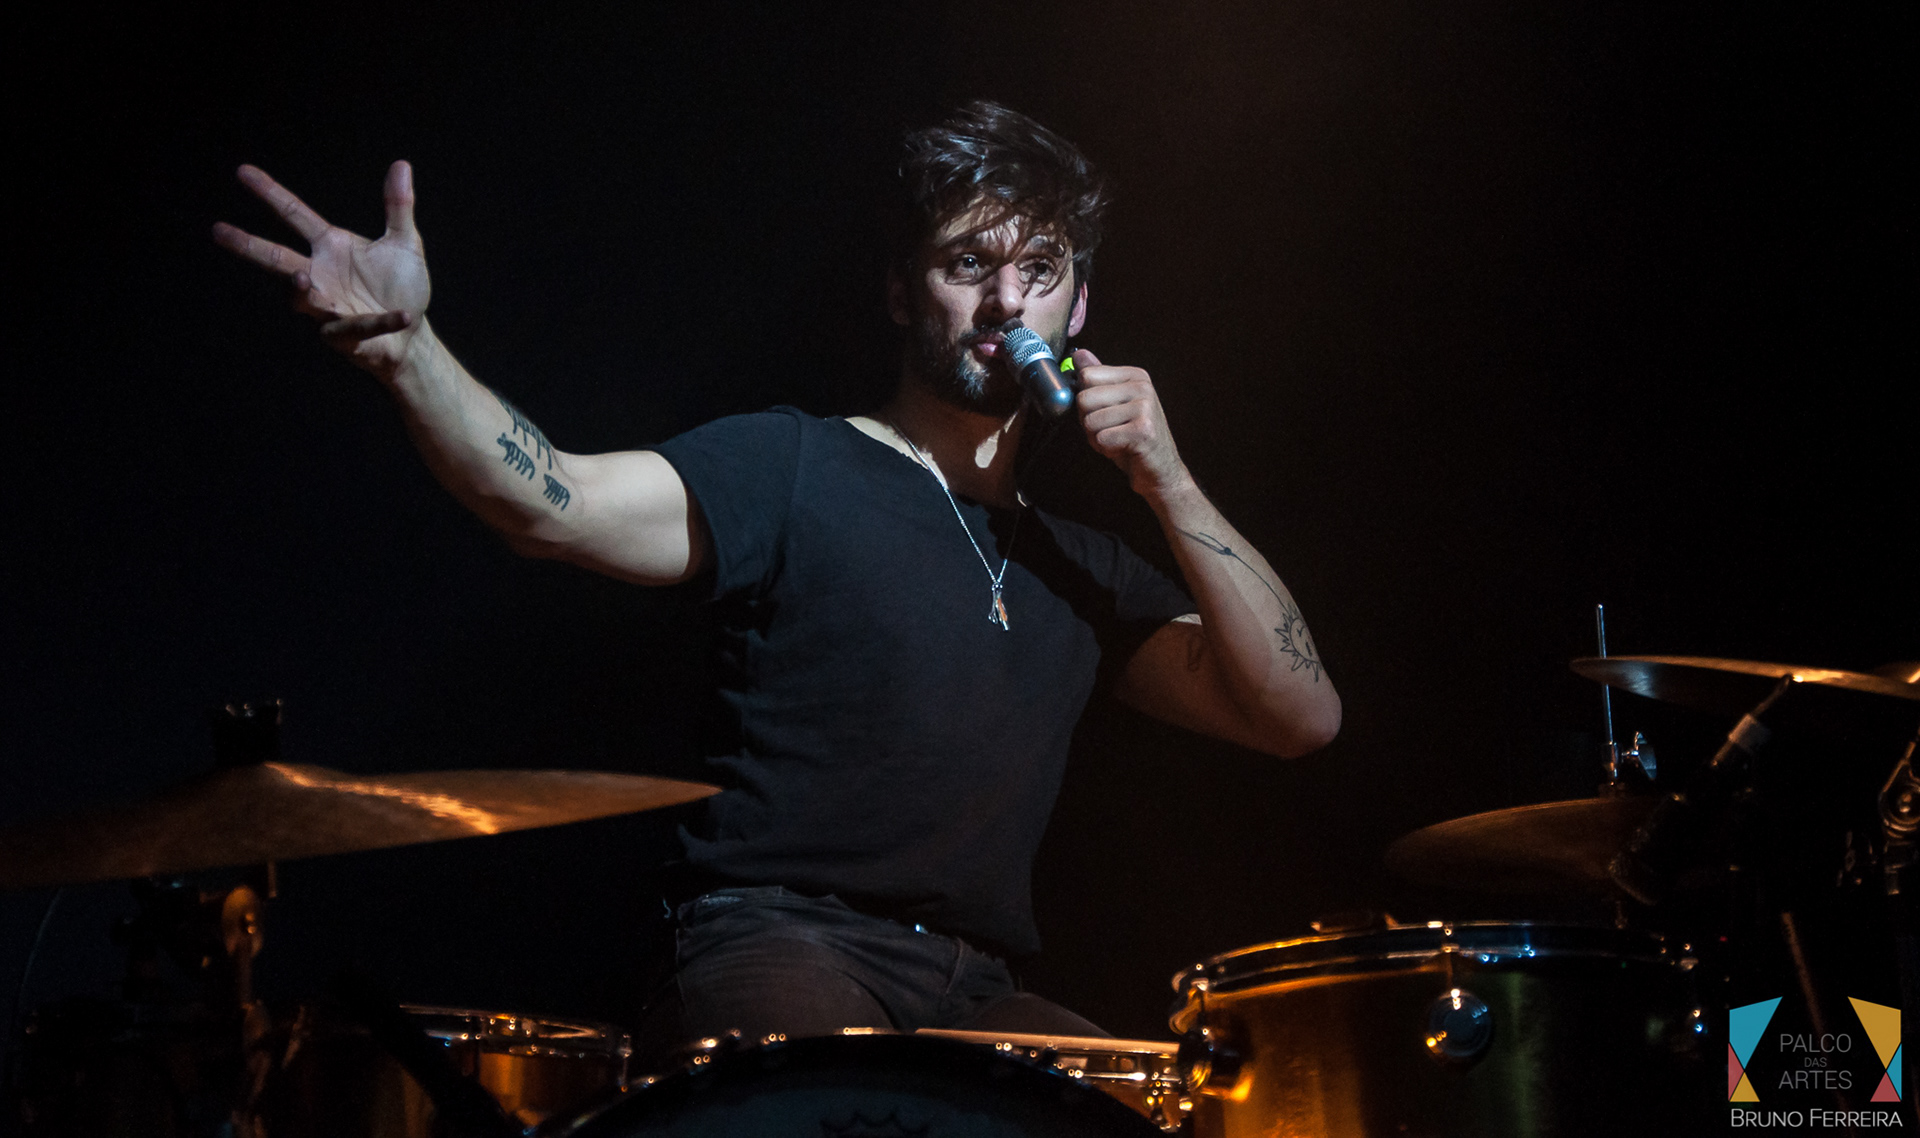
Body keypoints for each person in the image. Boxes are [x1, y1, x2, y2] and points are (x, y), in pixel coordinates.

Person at [213, 101, 1340, 1052]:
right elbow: (552, 503)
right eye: (969, 265)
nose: (1007, 304)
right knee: (834, 1103)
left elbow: (1298, 717)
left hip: (979, 986)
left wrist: (1167, 479)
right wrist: (408, 351)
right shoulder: (795, 465)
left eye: (1040, 271)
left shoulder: (1081, 565)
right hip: (778, 944)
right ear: (903, 292)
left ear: (1078, 306)